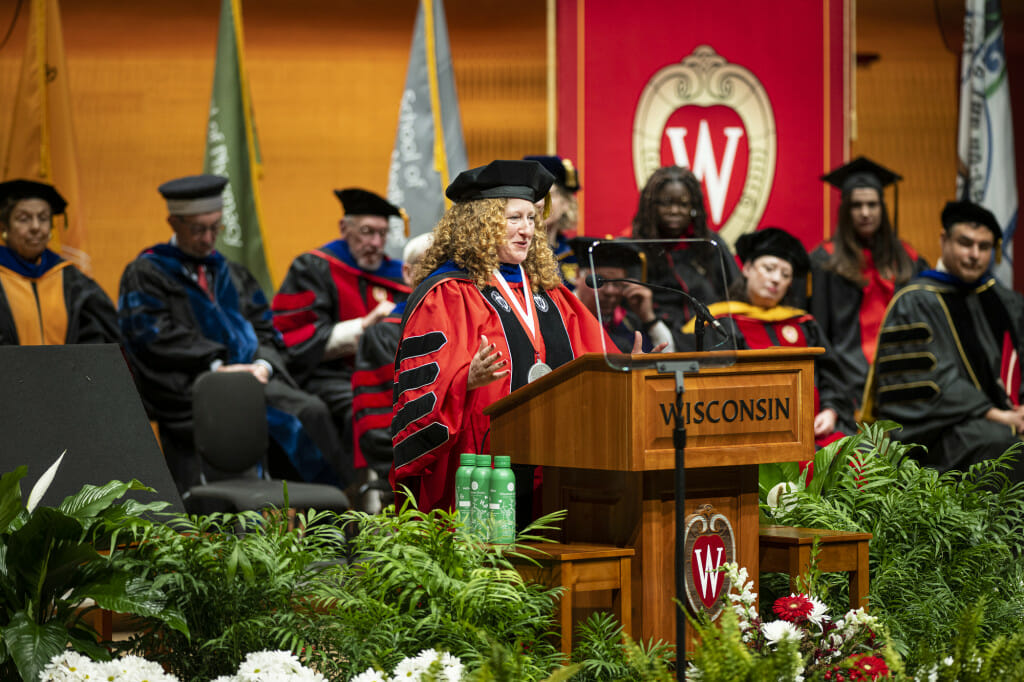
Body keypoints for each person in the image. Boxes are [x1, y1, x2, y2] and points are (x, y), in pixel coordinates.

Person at [389, 159, 628, 513]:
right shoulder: (450, 293)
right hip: (481, 468)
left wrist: (630, 368)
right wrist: (463, 381)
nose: (527, 230)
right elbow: (421, 392)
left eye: (532, 218)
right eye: (514, 218)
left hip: (553, 465)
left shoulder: (550, 294)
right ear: (480, 223)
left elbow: (593, 356)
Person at [118, 174, 347, 498]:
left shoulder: (232, 274)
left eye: (216, 227)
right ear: (173, 222)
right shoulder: (147, 273)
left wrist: (263, 367)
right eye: (198, 229)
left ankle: (331, 519)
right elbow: (151, 336)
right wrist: (217, 368)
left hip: (254, 381)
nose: (208, 238)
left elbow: (267, 330)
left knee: (312, 411)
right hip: (190, 389)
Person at [862, 200, 1024, 480]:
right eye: (965, 243)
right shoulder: (915, 301)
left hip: (1007, 419)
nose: (974, 255)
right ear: (943, 240)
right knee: (1004, 446)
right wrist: (1001, 417)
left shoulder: (1005, 300)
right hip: (938, 432)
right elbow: (931, 382)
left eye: (984, 247)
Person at [272, 188, 412, 487]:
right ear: (343, 228)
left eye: (382, 234)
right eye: (366, 232)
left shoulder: (398, 277)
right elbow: (295, 339)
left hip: (386, 373)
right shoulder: (314, 267)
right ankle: (358, 498)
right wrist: (363, 326)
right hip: (330, 375)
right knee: (363, 407)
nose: (375, 243)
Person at [683, 227, 854, 449]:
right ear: (746, 268)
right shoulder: (721, 322)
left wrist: (831, 411)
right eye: (769, 268)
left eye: (785, 275)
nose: (776, 279)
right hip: (749, 438)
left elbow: (832, 379)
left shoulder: (805, 325)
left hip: (813, 434)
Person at [809, 157, 928, 416]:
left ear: (882, 209)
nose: (865, 212)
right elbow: (820, 332)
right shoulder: (825, 261)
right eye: (857, 205)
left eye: (872, 204)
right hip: (848, 379)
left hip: (902, 375)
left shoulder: (908, 258)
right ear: (846, 210)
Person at [350, 232, 433, 511]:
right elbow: (379, 426)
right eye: (428, 264)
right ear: (407, 273)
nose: (437, 272)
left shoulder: (462, 323)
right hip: (410, 462)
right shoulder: (384, 334)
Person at [0, 179, 118, 345]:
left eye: (43, 218)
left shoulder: (72, 280)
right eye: (24, 219)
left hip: (67, 371)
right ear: (4, 227)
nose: (35, 227)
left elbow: (102, 340)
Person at [630, 166, 740, 340]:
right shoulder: (637, 246)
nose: (675, 211)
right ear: (651, 206)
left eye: (683, 204)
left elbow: (734, 290)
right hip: (658, 336)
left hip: (711, 336)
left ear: (693, 206)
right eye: (666, 203)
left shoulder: (708, 243)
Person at [571, 236, 675, 353]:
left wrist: (648, 317)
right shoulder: (563, 315)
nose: (610, 291)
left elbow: (668, 355)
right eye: (600, 281)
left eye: (617, 284)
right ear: (578, 275)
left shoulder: (628, 322)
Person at [524, 154, 580, 285]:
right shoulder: (512, 254)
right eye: (534, 193)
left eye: (549, 195)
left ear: (566, 202)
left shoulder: (576, 257)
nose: (540, 202)